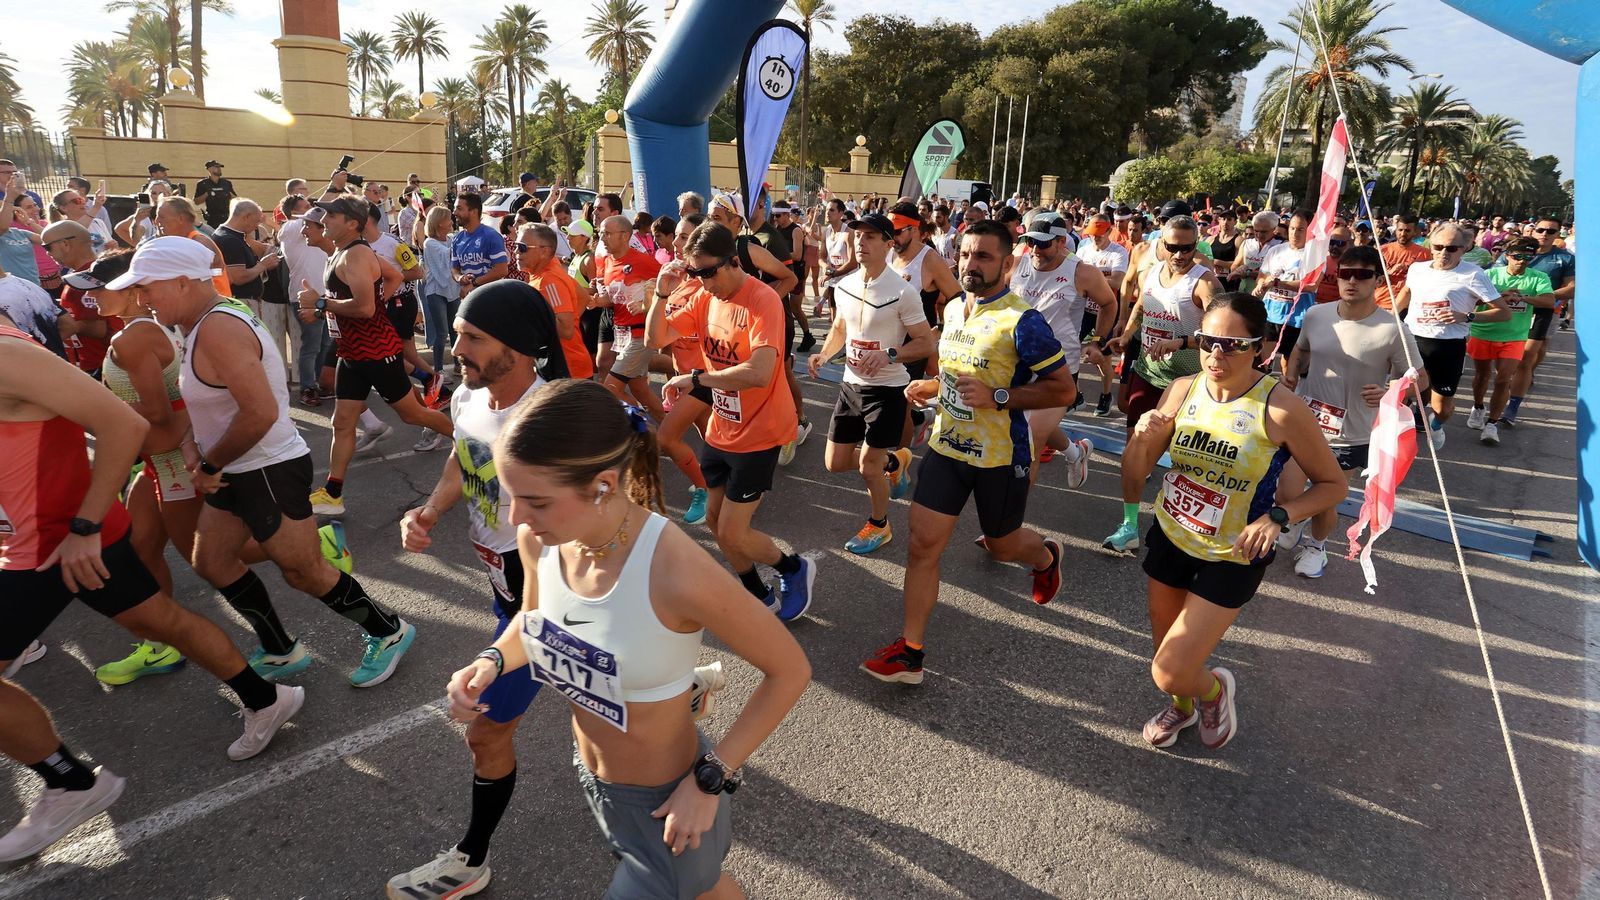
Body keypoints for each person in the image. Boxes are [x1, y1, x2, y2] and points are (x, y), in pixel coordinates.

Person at [440, 379, 808, 899]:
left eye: (536, 502)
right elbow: (533, 620)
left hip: (669, 798)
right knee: (703, 891)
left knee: (689, 885)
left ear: (603, 485)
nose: (517, 517)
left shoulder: (675, 569)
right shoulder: (540, 538)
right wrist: (491, 662)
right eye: (512, 496)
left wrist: (711, 780)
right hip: (594, 778)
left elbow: (790, 669)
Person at [0, 306, 303, 863]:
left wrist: (87, 526)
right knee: (160, 620)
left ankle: (68, 783)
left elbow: (128, 424)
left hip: (51, 543)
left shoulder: (7, 355)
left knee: (191, 582)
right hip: (48, 536)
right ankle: (267, 697)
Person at [120, 236, 417, 687]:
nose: (139, 299)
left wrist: (210, 464)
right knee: (212, 561)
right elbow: (208, 403)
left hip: (267, 468)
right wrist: (189, 444)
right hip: (238, 467)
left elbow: (259, 411)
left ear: (182, 282)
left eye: (146, 288)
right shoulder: (202, 321)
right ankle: (280, 648)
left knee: (304, 572)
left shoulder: (219, 328)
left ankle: (388, 629)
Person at [384, 280, 560, 898]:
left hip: (554, 600)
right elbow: (463, 458)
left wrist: (499, 651)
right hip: (502, 582)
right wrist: (429, 510)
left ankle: (470, 858)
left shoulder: (550, 420)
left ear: (520, 346)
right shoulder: (468, 395)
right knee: (623, 693)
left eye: (472, 337)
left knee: (485, 731)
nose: (455, 346)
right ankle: (675, 688)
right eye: (457, 332)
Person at [1123, 291, 1344, 750]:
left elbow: (1332, 485)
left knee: (1170, 668)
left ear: (1260, 348)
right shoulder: (1183, 389)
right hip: (1172, 533)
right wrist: (1144, 439)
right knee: (1167, 656)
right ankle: (1182, 707)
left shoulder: (1280, 408)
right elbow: (1139, 470)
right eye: (1207, 341)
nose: (1216, 354)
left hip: (1234, 552)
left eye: (1233, 345)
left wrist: (1280, 517)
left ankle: (1214, 690)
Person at [861, 220, 1074, 684]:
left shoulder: (1024, 321)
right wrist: (932, 385)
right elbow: (957, 374)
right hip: (948, 447)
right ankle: (911, 653)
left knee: (1002, 546)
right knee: (921, 546)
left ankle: (1045, 558)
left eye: (983, 257)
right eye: (966, 254)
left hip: (1000, 456)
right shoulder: (955, 308)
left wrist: (1000, 397)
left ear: (1006, 263)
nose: (971, 264)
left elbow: (1064, 390)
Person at [646, 222, 813, 621]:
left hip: (760, 431)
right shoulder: (705, 298)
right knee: (718, 524)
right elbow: (657, 338)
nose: (703, 282)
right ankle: (758, 593)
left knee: (735, 531)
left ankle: (794, 568)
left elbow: (758, 372)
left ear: (734, 261)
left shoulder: (762, 301)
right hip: (722, 428)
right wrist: (660, 291)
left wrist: (697, 379)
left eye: (709, 272)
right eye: (695, 273)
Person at [298, 198, 454, 515]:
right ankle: (332, 492)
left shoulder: (355, 254)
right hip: (352, 353)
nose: (325, 219)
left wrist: (322, 305)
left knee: (414, 414)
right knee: (342, 422)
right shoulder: (343, 252)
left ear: (353, 223)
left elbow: (365, 308)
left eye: (332, 215)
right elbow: (393, 277)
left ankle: (474, 446)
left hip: (375, 352)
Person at [1277, 245, 1424, 576]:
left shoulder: (1392, 329)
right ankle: (1294, 521)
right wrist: (1290, 373)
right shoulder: (1317, 315)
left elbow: (1420, 378)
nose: (1352, 281)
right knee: (1286, 490)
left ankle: (1317, 547)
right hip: (1305, 422)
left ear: (1377, 280)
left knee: (1324, 496)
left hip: (1352, 432)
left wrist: (1391, 391)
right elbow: (1300, 350)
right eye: (1345, 273)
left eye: (1362, 275)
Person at [807, 212, 934, 554]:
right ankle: (895, 463)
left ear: (889, 245)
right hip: (851, 385)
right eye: (857, 236)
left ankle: (880, 525)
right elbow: (840, 329)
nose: (860, 242)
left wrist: (891, 354)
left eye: (870, 237)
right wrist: (823, 354)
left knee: (867, 466)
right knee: (833, 462)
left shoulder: (903, 292)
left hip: (888, 390)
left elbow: (925, 342)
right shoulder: (845, 285)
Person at [1104, 215, 1223, 552]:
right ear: (1161, 245)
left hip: (1188, 382)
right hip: (1148, 372)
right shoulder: (1154, 271)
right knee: (1133, 452)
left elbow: (1222, 334)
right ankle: (1129, 525)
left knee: (1188, 460)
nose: (1180, 254)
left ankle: (1194, 527)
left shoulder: (1204, 283)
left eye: (1188, 248)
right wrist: (1127, 333)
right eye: (1173, 247)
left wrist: (1182, 342)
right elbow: (1143, 303)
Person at [1011, 209, 1113, 486]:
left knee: (1030, 439)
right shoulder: (1018, 262)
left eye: (1043, 244)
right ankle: (1074, 451)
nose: (1035, 249)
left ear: (1061, 242)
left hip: (1059, 368)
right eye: (1031, 241)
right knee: (1035, 426)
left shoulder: (1082, 272)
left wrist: (1097, 341)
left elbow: (1109, 303)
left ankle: (1011, 524)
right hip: (1018, 362)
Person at [1393, 222, 1510, 450]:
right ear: (1431, 246)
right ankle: (1395, 439)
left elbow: (1504, 313)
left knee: (1442, 408)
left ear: (1464, 248)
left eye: (1452, 248)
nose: (1443, 253)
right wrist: (1391, 318)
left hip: (1448, 347)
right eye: (1438, 247)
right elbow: (1407, 292)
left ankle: (1435, 426)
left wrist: (1466, 316)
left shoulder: (1473, 274)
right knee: (1399, 395)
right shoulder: (1418, 269)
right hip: (1413, 340)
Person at [1467, 237, 1556, 445]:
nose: (1522, 261)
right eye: (1517, 256)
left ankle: (1491, 424)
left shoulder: (1538, 277)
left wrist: (1523, 297)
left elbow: (1549, 301)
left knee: (1503, 379)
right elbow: (1472, 300)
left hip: (1514, 336)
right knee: (1482, 376)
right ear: (1507, 256)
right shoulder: (1488, 274)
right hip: (1484, 332)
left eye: (1527, 257)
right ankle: (1478, 407)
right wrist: (1499, 296)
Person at [656, 214, 713, 526]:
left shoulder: (708, 284)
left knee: (667, 437)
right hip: (683, 374)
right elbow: (663, 336)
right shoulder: (675, 278)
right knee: (709, 434)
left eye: (683, 237)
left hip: (705, 375)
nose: (675, 243)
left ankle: (706, 488)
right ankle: (722, 481)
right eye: (676, 236)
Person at [1501, 215, 1576, 428]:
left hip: (1543, 311)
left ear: (1558, 234)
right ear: (1533, 231)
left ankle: (1513, 405)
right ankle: (1502, 393)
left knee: (1527, 356)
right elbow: (1495, 274)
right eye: (1541, 230)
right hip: (1509, 310)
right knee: (1508, 360)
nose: (1545, 234)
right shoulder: (1516, 250)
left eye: (1551, 231)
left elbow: (1571, 288)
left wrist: (1541, 296)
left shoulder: (1565, 258)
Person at [597, 214, 666, 420]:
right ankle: (667, 433)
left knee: (610, 387)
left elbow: (668, 287)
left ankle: (643, 432)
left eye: (608, 234)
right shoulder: (608, 261)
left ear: (625, 235)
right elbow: (612, 298)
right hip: (621, 334)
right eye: (601, 233)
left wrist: (646, 305)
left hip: (640, 334)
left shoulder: (643, 261)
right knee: (640, 390)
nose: (602, 239)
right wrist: (597, 300)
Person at [39, 221, 121, 377]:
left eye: (47, 247)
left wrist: (67, 326)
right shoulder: (85, 274)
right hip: (97, 363)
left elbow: (99, 328)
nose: (47, 254)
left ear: (65, 244)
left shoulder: (88, 280)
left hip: (100, 365)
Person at [514, 223, 594, 380]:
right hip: (559, 366)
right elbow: (583, 297)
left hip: (566, 370)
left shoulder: (548, 280)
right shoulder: (549, 267)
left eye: (522, 247)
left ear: (544, 251)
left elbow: (566, 330)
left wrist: (529, 320)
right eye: (516, 246)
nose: (516, 252)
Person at [1076, 213, 1130, 416]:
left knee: (1102, 358)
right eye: (1092, 234)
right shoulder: (1083, 249)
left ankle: (1106, 395)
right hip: (1083, 311)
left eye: (1099, 234)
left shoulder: (1119, 253)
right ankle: (1075, 394)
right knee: (1069, 352)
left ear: (1109, 231)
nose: (1095, 238)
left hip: (1107, 310)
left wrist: (1088, 281)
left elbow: (1116, 282)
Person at [280, 196, 330, 405]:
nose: (312, 210)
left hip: (325, 297)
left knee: (325, 343)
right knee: (311, 345)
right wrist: (332, 188)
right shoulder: (290, 228)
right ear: (293, 213)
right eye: (306, 208)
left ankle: (320, 383)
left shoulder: (315, 231)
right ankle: (307, 387)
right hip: (304, 297)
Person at [1253, 209, 1311, 365]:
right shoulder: (1275, 250)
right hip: (1270, 312)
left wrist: (1277, 283)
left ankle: (1287, 388)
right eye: (1292, 228)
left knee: (1288, 361)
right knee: (1262, 358)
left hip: (1296, 317)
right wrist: (1261, 285)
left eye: (1300, 229)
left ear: (1309, 230)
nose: (1295, 233)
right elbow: (1262, 276)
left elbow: (1311, 286)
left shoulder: (1314, 255)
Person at [213, 199, 282, 320]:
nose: (257, 226)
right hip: (241, 303)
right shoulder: (230, 240)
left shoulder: (226, 235)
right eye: (256, 221)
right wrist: (263, 265)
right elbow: (239, 277)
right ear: (246, 217)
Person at [421, 205, 462, 378]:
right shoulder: (429, 243)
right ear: (439, 224)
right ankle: (438, 370)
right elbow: (449, 254)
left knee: (455, 330)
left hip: (453, 289)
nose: (451, 221)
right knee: (441, 332)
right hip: (436, 290)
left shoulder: (452, 238)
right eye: (447, 219)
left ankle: (458, 365)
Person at [451, 192, 510, 292]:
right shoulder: (457, 239)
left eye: (459, 208)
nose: (454, 212)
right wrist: (460, 278)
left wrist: (475, 283)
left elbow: (502, 270)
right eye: (455, 208)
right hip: (469, 298)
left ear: (474, 212)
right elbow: (454, 269)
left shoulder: (491, 236)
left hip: (491, 296)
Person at [1374, 214, 1431, 310]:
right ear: (1395, 230)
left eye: (1407, 231)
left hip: (1408, 306)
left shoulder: (1425, 254)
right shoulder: (1382, 250)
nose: (1403, 234)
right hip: (1380, 303)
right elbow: (1370, 276)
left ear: (1415, 232)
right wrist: (1389, 272)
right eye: (1400, 230)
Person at [817, 198, 857, 319]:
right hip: (834, 282)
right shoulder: (826, 232)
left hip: (849, 283)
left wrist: (832, 273)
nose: (827, 213)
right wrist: (825, 268)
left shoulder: (849, 233)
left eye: (832, 210)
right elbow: (821, 257)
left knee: (847, 319)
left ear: (841, 214)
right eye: (827, 210)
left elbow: (853, 263)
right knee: (834, 319)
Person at [47, 189, 113, 255]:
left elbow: (110, 245)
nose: (83, 203)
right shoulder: (61, 227)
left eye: (82, 199)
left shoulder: (98, 222)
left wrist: (113, 247)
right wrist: (96, 207)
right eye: (77, 201)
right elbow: (77, 230)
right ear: (64, 208)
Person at [193, 161, 236, 228]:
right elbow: (196, 202)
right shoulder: (202, 184)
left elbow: (236, 199)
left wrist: (228, 193)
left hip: (227, 218)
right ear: (209, 169)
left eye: (220, 167)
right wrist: (207, 194)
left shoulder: (226, 183)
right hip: (212, 219)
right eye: (216, 167)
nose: (219, 169)